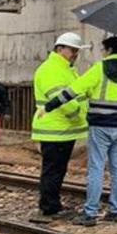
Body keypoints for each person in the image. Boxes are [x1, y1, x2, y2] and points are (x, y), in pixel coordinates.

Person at [42, 35, 117, 226]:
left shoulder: (99, 69)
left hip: (100, 126)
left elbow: (75, 90)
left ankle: (91, 213)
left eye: (104, 50)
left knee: (96, 167)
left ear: (110, 50)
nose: (102, 54)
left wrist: (50, 106)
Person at [29, 32, 90, 223]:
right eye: (72, 50)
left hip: (61, 130)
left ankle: (51, 205)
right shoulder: (51, 69)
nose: (75, 54)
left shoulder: (64, 69)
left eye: (76, 51)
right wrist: (77, 115)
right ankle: (49, 207)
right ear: (60, 49)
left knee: (56, 169)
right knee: (53, 170)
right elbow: (61, 99)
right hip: (55, 129)